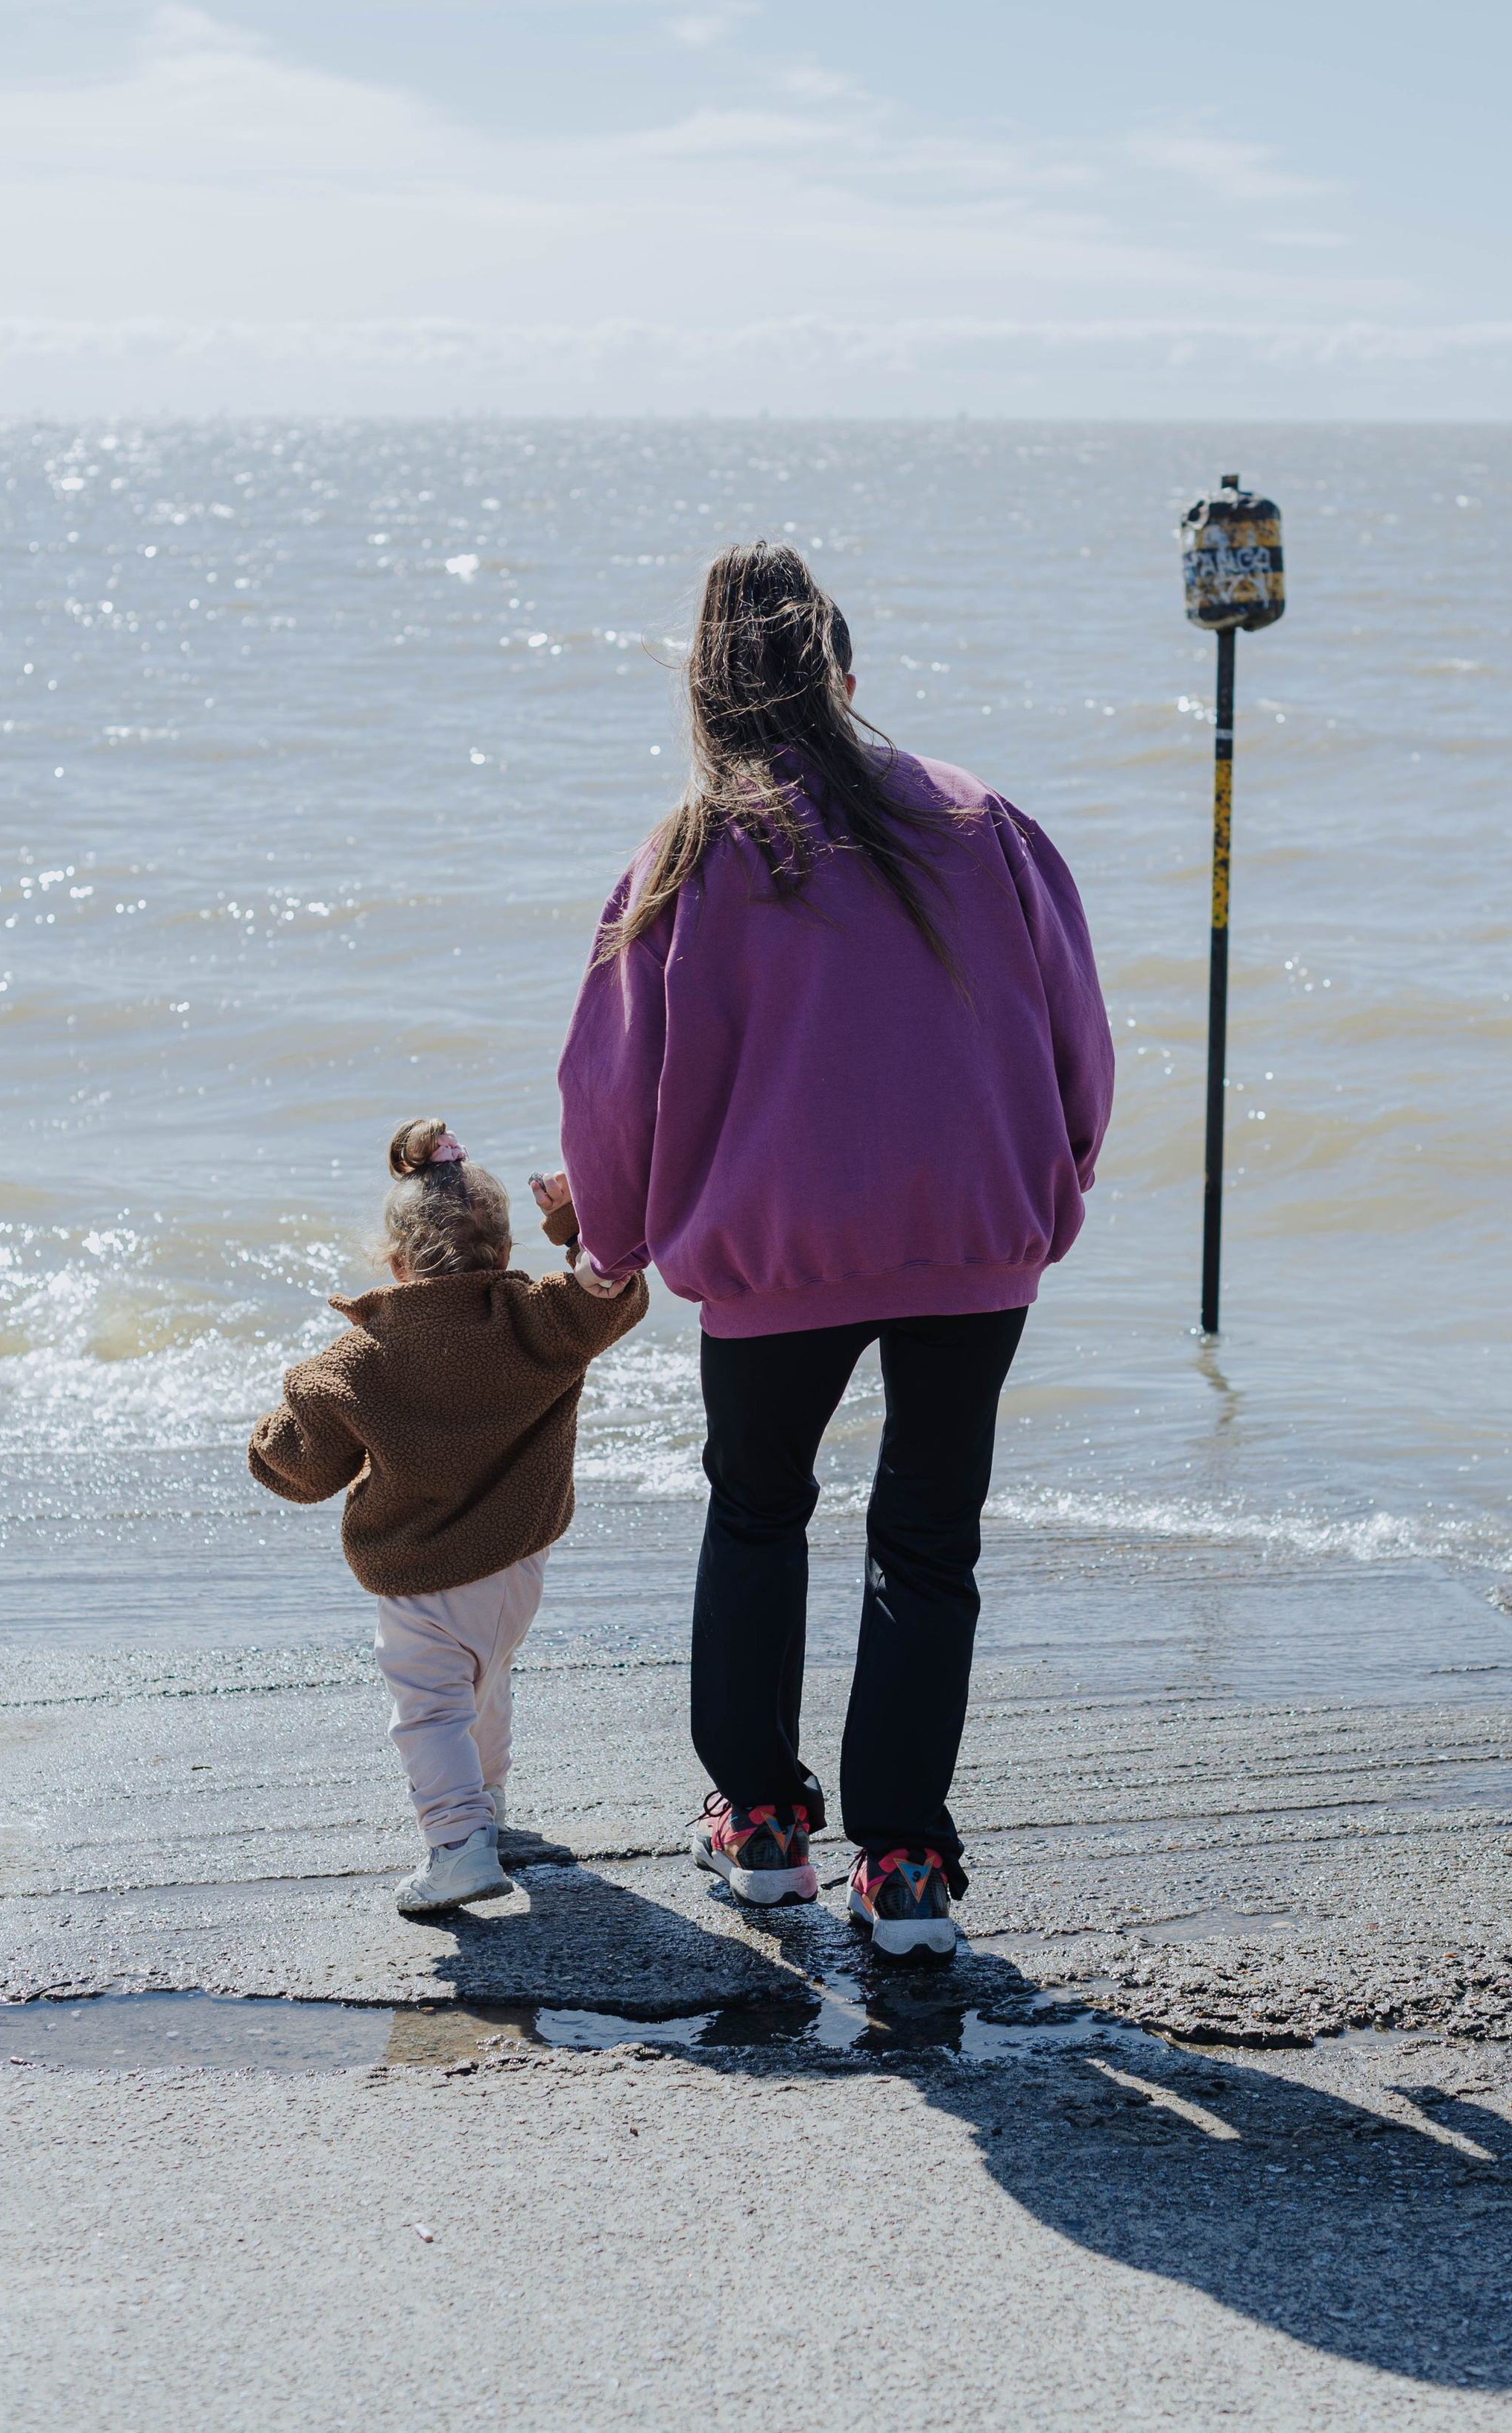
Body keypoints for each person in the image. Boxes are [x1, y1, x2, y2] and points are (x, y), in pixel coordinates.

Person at [557, 543, 1112, 1961]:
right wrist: (1051, 1191)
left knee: (757, 1511)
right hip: (972, 1245)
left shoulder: (686, 856)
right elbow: (1079, 1045)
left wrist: (611, 1247)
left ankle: (761, 1828)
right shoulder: (985, 827)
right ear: (846, 684)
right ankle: (908, 1866)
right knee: (929, 1542)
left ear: (710, 692)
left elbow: (613, 1087)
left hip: (770, 1260)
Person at [247, 1120, 645, 1916]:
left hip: (424, 1578)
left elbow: (299, 1471)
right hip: (519, 1566)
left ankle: (458, 1844)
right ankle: (488, 1813)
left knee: (431, 1709)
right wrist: (575, 1225)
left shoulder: (355, 1364)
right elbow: (614, 1286)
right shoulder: (540, 1320)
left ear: (392, 1263)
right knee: (485, 1685)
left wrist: (268, 1440)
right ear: (501, 1254)